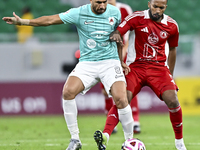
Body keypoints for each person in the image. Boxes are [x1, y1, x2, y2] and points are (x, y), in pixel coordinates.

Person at [2, 0, 134, 150]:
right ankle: (75, 139)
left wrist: (120, 60)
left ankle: (129, 142)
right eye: (98, 2)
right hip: (87, 63)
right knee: (67, 92)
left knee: (121, 99)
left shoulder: (115, 12)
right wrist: (23, 22)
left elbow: (118, 38)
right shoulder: (78, 12)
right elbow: (50, 20)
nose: (102, 6)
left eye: (104, 2)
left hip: (110, 62)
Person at [95, 0, 187, 150]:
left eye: (161, 7)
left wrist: (170, 74)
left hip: (158, 69)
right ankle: (105, 135)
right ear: (149, 3)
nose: (157, 10)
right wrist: (117, 41)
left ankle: (180, 142)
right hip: (135, 68)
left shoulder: (172, 25)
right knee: (122, 99)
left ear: (165, 7)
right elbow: (118, 32)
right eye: (155, 6)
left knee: (173, 100)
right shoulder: (135, 18)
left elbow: (173, 50)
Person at [101, 0, 141, 134]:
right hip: (104, 55)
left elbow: (129, 33)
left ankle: (135, 121)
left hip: (123, 53)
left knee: (129, 86)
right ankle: (112, 121)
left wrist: (123, 52)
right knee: (106, 90)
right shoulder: (98, 9)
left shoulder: (124, 9)